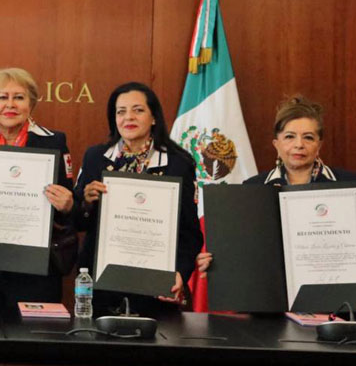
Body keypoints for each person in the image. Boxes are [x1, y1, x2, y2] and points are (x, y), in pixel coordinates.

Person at [74, 81, 202, 310]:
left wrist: (180, 273)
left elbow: (190, 234)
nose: (128, 117)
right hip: (102, 285)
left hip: (155, 286)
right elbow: (78, 221)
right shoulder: (96, 158)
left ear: (154, 118)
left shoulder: (178, 164)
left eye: (138, 110)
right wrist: (85, 201)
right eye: (121, 112)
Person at [0, 68, 76, 319]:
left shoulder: (54, 142)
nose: (10, 105)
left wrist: (68, 204)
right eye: (2, 97)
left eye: (19, 97)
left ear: (31, 104)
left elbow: (70, 209)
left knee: (35, 344)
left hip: (36, 267)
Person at [197, 95, 356, 272]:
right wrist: (216, 262)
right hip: (272, 289)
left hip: (334, 289)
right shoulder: (252, 189)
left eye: (308, 137)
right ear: (276, 144)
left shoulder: (349, 185)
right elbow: (241, 246)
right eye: (289, 136)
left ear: (319, 145)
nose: (299, 145)